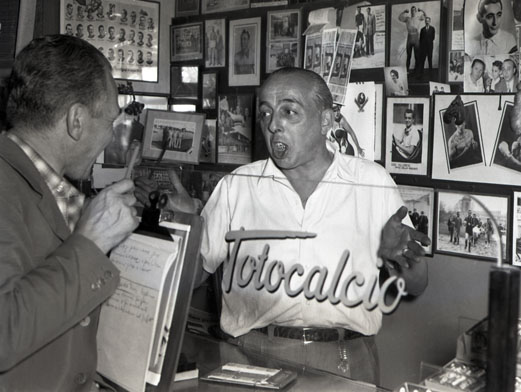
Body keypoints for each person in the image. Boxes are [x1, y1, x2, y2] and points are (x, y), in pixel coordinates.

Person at [135, 67, 429, 383]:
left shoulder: (371, 181)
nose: (273, 124)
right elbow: (190, 277)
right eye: (266, 113)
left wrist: (403, 258)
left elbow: (417, 284)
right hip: (249, 357)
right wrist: (181, 225)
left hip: (344, 361)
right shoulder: (237, 187)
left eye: (289, 112)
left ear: (325, 121)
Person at [0, 35, 139, 391]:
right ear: (76, 120)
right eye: (109, 122)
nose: (110, 138)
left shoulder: (45, 185)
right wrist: (89, 244)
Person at [497, 82, 521, 172]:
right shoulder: (519, 137)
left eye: (518, 128)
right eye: (516, 129)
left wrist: (510, 157)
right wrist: (506, 148)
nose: (517, 131)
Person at [398, 6, 426, 74]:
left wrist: (421, 10)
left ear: (415, 11)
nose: (413, 11)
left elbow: (425, 16)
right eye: (412, 10)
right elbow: (399, 18)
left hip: (416, 37)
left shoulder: (418, 18)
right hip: (410, 37)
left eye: (414, 10)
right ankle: (407, 70)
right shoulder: (408, 19)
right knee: (409, 55)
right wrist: (404, 12)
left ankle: (416, 70)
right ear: (411, 11)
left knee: (417, 56)